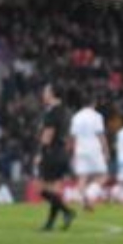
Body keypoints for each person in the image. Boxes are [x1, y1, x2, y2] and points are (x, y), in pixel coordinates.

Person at [36, 83, 75, 230]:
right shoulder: (66, 111)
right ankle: (50, 224)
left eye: (45, 91)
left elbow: (48, 135)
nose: (43, 94)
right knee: (53, 190)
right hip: (62, 152)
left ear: (52, 93)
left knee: (42, 189)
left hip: (51, 152)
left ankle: (68, 212)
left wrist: (41, 152)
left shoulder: (52, 112)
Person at [69, 95, 109, 211]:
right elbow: (100, 135)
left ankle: (83, 203)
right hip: (94, 149)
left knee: (82, 177)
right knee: (103, 176)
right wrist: (106, 151)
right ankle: (89, 195)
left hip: (80, 149)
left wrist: (73, 153)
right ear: (94, 103)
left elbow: (73, 137)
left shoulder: (76, 117)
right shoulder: (97, 116)